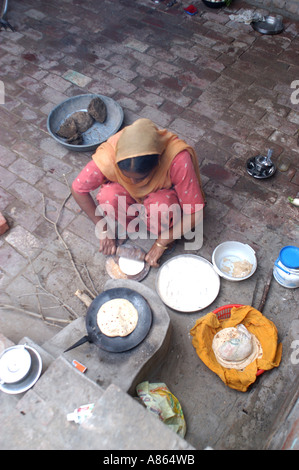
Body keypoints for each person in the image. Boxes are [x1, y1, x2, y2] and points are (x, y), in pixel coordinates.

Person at [71, 118, 205, 267]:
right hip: (128, 196)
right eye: (127, 176)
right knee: (109, 195)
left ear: (158, 163)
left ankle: (165, 232)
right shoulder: (109, 155)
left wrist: (162, 241)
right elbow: (78, 189)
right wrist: (103, 228)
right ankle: (130, 226)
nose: (134, 183)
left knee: (162, 207)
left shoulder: (177, 159)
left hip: (162, 197)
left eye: (142, 177)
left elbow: (196, 213)